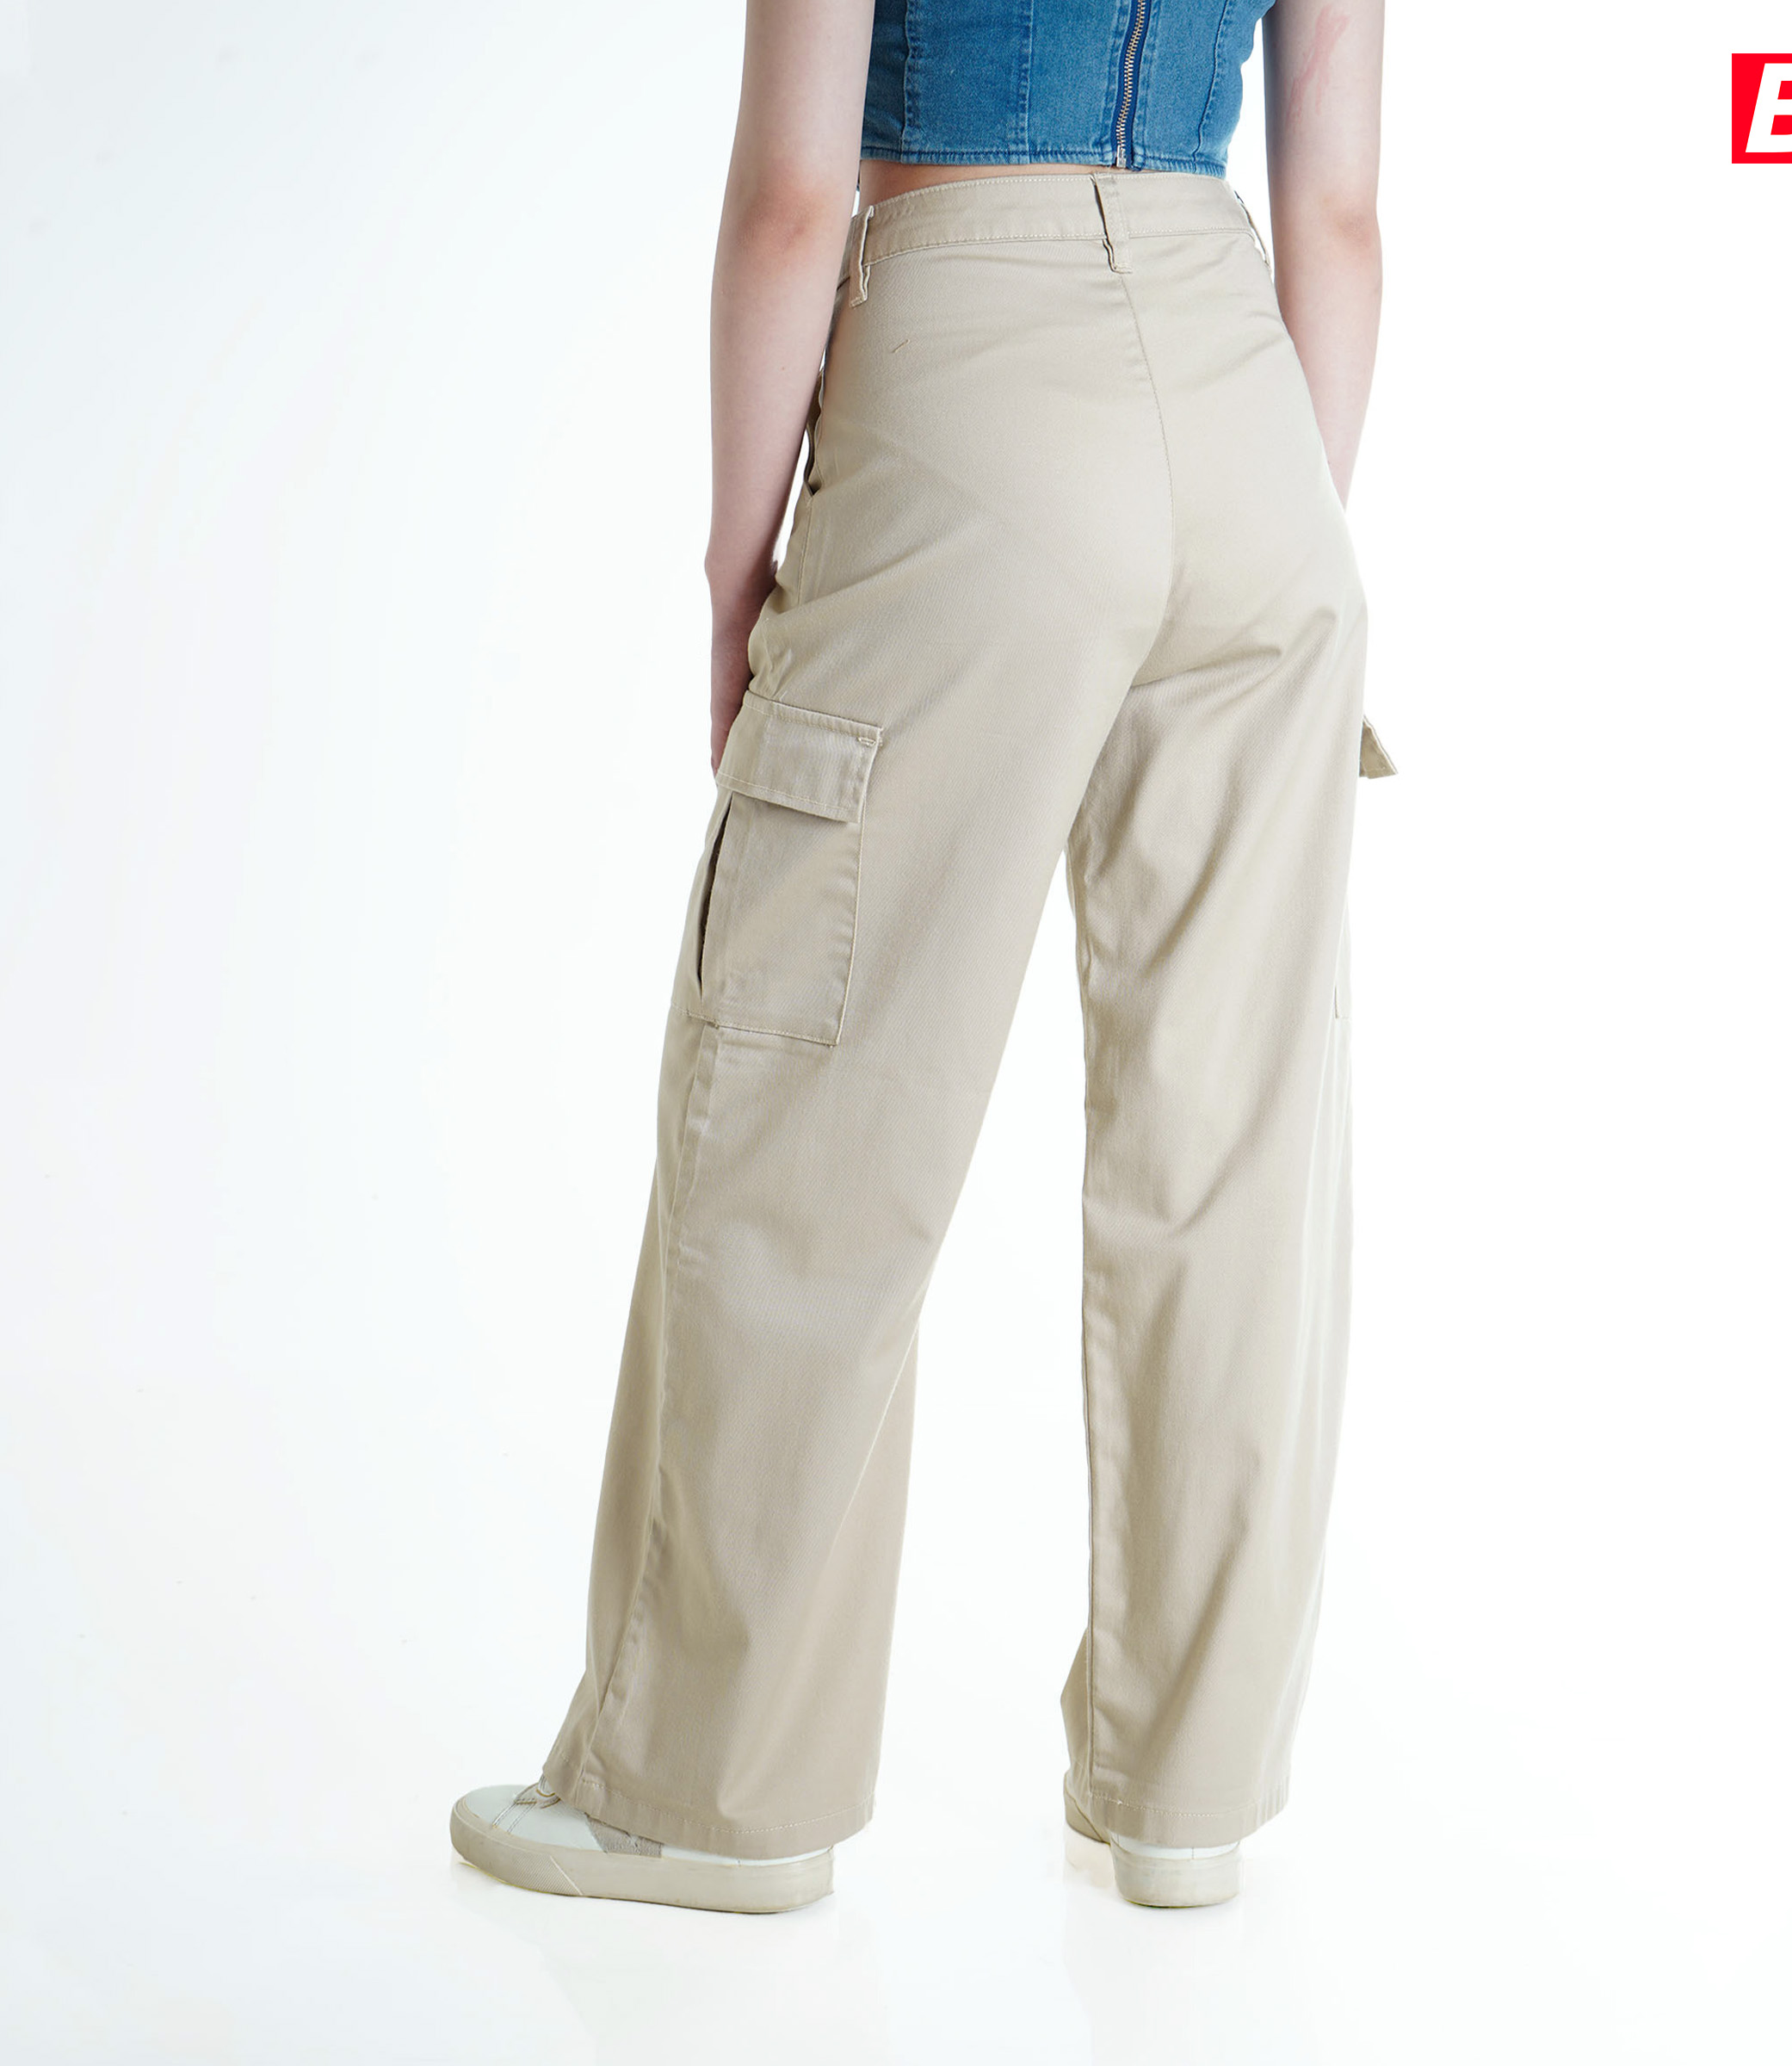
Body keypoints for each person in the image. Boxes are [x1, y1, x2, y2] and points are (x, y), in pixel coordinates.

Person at [450, 0, 1393, 1914]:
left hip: (971, 371)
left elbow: (795, 200)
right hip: (1255, 417)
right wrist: (1252, 516)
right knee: (1229, 1149)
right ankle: (1187, 1798)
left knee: (815, 1098)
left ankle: (705, 1794)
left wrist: (738, 567)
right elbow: (1344, 212)